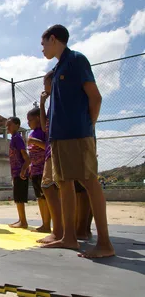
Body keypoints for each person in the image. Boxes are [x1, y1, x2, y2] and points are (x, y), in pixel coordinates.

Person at [40, 24, 114, 258]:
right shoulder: (58, 66)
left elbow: (95, 97)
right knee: (64, 184)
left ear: (53, 39)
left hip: (77, 133)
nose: (42, 49)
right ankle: (68, 238)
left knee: (89, 182)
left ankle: (105, 243)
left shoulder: (76, 59)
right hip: (58, 137)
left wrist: (88, 126)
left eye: (43, 44)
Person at [37, 70, 63, 244]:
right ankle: (63, 230)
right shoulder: (52, 102)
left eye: (45, 83)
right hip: (53, 144)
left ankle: (59, 230)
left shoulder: (59, 99)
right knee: (56, 187)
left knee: (48, 185)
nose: (44, 87)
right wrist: (41, 104)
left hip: (57, 145)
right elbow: (45, 127)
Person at [26, 107, 50, 233]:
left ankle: (48, 224)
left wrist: (34, 141)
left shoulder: (43, 131)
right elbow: (32, 153)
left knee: (46, 198)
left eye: (30, 120)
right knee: (40, 198)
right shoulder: (32, 132)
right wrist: (30, 166)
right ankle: (44, 223)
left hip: (43, 169)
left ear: (37, 118)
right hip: (35, 170)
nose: (28, 123)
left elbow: (48, 147)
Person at [6, 117, 31, 229]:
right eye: (7, 125)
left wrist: (23, 170)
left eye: (10, 125)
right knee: (17, 198)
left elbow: (26, 157)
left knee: (20, 198)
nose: (8, 127)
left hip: (20, 172)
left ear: (17, 125)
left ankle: (24, 222)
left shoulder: (17, 138)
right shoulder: (13, 138)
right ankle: (21, 219)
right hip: (16, 173)